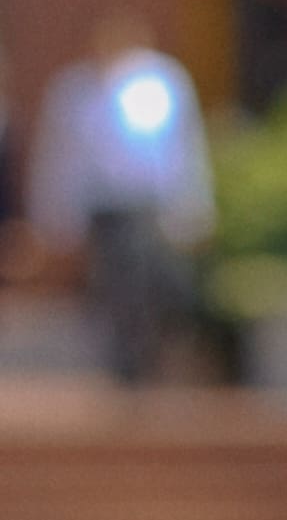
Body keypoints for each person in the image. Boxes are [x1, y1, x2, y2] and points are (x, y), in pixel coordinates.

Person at [25, 19, 214, 382]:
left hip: (147, 204)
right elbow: (61, 157)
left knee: (155, 282)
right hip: (103, 209)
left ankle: (151, 356)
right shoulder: (75, 90)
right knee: (114, 287)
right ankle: (126, 362)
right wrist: (55, 216)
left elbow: (182, 149)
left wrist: (192, 207)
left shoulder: (160, 83)